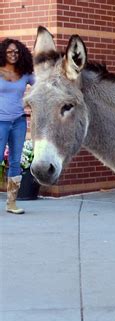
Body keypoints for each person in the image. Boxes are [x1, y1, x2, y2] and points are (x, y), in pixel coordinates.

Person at [0, 38, 34, 214]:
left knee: (15, 161)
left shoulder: (25, 73)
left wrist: (28, 101)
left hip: (19, 121)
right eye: (10, 52)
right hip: (0, 121)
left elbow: (41, 89)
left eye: (16, 52)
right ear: (3, 53)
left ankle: (11, 203)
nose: (13, 54)